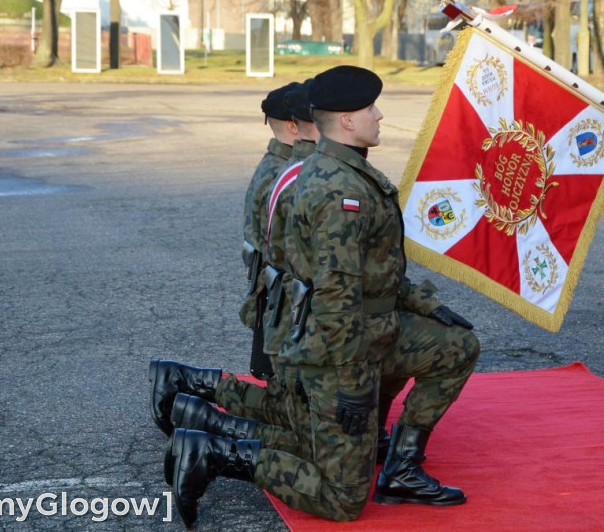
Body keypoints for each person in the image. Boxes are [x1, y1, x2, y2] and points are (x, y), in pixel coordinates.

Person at [166, 65, 480, 527]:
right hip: (339, 349)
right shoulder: (339, 189)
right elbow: (336, 295)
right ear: (347, 121)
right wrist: (353, 381)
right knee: (343, 499)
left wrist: (428, 306)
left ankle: (402, 467)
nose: (379, 115)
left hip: (366, 332)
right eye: (369, 108)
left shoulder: (338, 169)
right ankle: (214, 454)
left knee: (455, 347)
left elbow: (377, 272)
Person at [149, 82, 305, 440]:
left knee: (292, 409)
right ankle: (198, 409)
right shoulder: (286, 173)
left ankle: (187, 392)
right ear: (295, 127)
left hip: (276, 298)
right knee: (296, 418)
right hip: (281, 303)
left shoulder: (281, 165)